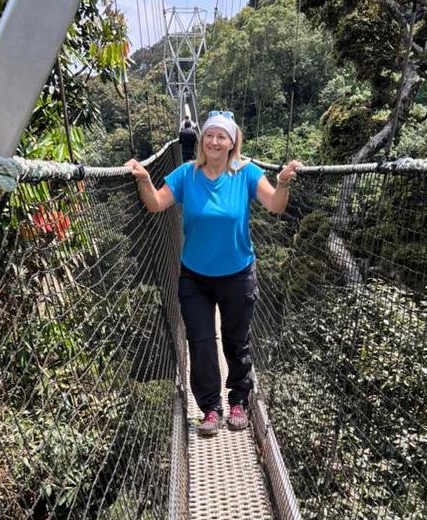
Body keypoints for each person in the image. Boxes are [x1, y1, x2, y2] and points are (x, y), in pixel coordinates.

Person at [125, 111, 301, 436]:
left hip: (237, 274)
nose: (214, 141)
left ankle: (238, 402)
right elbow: (156, 204)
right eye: (209, 135)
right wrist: (144, 179)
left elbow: (275, 205)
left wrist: (284, 183)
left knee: (236, 342)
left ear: (232, 142)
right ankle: (210, 409)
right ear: (202, 140)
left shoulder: (246, 173)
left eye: (222, 136)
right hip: (195, 277)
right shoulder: (185, 175)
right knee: (201, 343)